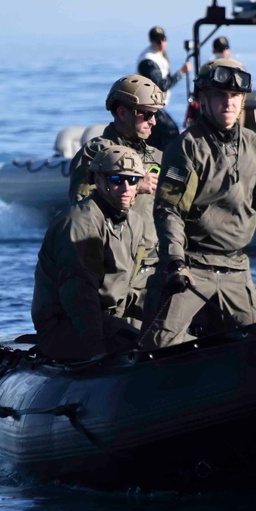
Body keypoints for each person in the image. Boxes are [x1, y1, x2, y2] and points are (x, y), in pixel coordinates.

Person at [142, 58, 256, 349]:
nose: (229, 103)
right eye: (220, 96)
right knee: (158, 346)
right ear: (203, 99)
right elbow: (170, 210)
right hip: (192, 266)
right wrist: (175, 261)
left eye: (235, 96)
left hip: (235, 269)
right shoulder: (188, 146)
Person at [31, 145, 147, 360]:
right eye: (116, 179)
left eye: (132, 180)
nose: (125, 187)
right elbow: (79, 294)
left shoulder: (133, 221)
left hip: (109, 321)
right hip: (67, 327)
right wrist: (96, 350)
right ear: (98, 180)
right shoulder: (81, 222)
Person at [67, 75, 165, 324]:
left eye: (155, 114)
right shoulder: (97, 153)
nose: (153, 121)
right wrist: (133, 185)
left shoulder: (157, 156)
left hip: (151, 265)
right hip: (112, 265)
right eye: (146, 114)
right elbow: (82, 207)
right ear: (122, 112)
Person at [137, 25, 193, 150]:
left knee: (154, 136)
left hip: (157, 105)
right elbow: (160, 86)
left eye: (163, 39)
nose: (161, 43)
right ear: (152, 41)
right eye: (158, 40)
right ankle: (168, 162)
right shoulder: (148, 61)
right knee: (171, 130)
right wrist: (181, 72)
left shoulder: (159, 56)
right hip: (149, 105)